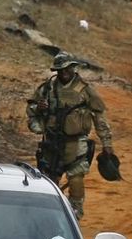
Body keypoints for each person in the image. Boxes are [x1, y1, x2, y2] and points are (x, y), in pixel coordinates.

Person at [26, 52, 115, 219]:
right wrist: (39, 109)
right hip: (51, 141)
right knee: (49, 181)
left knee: (76, 179)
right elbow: (31, 111)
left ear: (74, 68)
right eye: (60, 70)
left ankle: (75, 213)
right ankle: (49, 214)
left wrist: (107, 144)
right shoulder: (47, 89)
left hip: (76, 142)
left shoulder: (85, 90)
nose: (64, 73)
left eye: (67, 69)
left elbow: (99, 118)